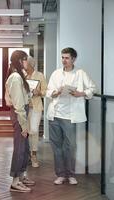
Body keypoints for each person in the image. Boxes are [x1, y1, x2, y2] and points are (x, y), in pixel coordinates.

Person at [46, 47, 97, 185]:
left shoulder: (80, 73)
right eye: (62, 57)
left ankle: (70, 174)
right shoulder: (56, 74)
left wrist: (81, 93)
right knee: (56, 146)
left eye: (67, 58)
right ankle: (60, 174)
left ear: (73, 59)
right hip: (55, 115)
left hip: (70, 116)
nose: (64, 60)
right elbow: (48, 91)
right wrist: (56, 92)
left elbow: (93, 88)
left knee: (70, 146)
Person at [5, 50, 35, 192]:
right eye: (25, 59)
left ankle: (21, 176)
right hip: (19, 115)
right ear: (19, 60)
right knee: (20, 149)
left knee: (25, 148)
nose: (26, 62)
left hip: (22, 114)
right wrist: (24, 126)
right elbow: (18, 105)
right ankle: (15, 182)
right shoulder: (16, 77)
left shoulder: (19, 76)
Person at [23, 56, 47, 167]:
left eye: (25, 62)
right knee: (26, 131)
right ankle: (27, 155)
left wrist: (39, 92)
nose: (23, 64)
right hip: (24, 108)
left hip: (36, 107)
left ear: (30, 64)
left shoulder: (40, 76)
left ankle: (34, 155)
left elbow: (45, 91)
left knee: (34, 130)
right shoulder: (22, 75)